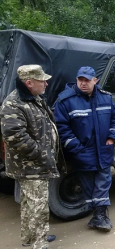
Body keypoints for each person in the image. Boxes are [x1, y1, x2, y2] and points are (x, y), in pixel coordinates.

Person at [0, 64, 66, 249]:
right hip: (30, 166)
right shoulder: (14, 103)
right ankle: (39, 243)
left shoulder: (34, 98)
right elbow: (15, 136)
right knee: (38, 205)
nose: (46, 83)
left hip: (35, 163)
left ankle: (30, 238)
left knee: (30, 204)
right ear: (29, 83)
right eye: (42, 80)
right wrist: (40, 154)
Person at [54, 66, 115, 232]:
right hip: (82, 151)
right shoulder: (65, 100)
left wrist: (112, 138)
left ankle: (101, 215)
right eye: (80, 80)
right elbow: (61, 127)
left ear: (95, 80)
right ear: (76, 79)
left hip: (104, 149)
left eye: (87, 80)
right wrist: (75, 147)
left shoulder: (106, 98)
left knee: (103, 182)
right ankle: (97, 215)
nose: (83, 83)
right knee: (88, 185)